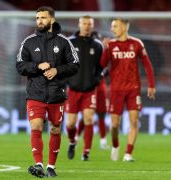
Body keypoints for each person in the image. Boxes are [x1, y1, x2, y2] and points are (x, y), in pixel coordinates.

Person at [16, 6, 79, 178]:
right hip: (35, 94)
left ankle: (51, 166)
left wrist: (57, 70)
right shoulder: (28, 42)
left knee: (55, 129)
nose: (39, 21)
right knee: (36, 126)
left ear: (52, 19)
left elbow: (75, 64)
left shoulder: (64, 42)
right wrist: (37, 66)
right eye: (37, 18)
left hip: (56, 93)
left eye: (43, 18)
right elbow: (20, 66)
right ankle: (39, 165)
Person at [100, 17, 156, 162]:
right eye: (112, 26)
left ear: (124, 27)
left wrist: (151, 84)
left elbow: (147, 65)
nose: (112, 29)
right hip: (116, 89)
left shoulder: (137, 43)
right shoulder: (111, 45)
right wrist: (105, 49)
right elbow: (102, 64)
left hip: (133, 89)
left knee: (134, 121)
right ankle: (115, 145)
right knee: (114, 125)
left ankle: (128, 153)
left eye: (115, 26)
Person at [65, 15, 103, 161]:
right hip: (73, 89)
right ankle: (72, 142)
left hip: (89, 90)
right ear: (79, 24)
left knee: (88, 119)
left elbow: (100, 67)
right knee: (70, 123)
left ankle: (86, 152)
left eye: (89, 24)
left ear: (92, 26)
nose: (87, 26)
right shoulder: (69, 42)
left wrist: (97, 79)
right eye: (84, 23)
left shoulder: (97, 45)